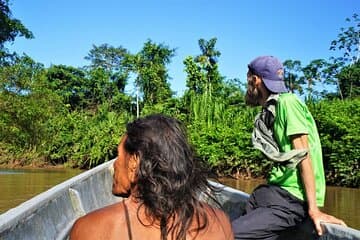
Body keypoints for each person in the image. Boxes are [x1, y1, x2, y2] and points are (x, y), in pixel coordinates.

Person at [231, 56, 346, 239]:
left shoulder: (288, 103)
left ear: (255, 79)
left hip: (290, 200)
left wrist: (314, 210)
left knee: (225, 234)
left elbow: (304, 156)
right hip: (272, 193)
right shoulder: (272, 107)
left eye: (248, 78)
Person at [70, 114, 234, 240]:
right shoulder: (220, 221)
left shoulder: (90, 228)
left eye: (118, 156)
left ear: (134, 162)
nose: (114, 165)